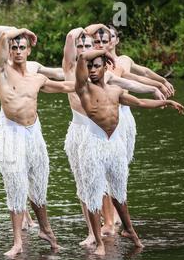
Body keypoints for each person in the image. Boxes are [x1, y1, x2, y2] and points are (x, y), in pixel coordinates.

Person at [75, 48, 184, 255]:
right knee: (94, 196)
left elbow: (141, 102)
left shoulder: (115, 91)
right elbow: (81, 57)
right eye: (90, 67)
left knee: (120, 194)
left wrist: (167, 102)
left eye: (97, 66)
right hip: (93, 144)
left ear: (106, 68)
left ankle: (130, 230)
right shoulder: (84, 89)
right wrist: (103, 51)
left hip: (114, 144)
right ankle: (99, 242)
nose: (92, 70)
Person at [62, 27, 167, 245]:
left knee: (110, 178)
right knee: (84, 184)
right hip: (80, 129)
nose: (82, 49)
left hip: (100, 130)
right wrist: (84, 32)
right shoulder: (72, 67)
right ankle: (92, 231)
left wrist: (157, 88)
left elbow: (131, 83)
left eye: (88, 45)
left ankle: (110, 223)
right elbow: (72, 38)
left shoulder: (103, 73)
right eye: (80, 46)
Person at [0, 26, 78, 258]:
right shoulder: (2, 71)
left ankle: (46, 230)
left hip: (34, 133)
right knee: (16, 187)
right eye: (14, 48)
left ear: (28, 51)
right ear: (9, 51)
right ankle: (18, 241)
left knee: (39, 186)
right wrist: (21, 31)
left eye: (22, 47)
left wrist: (92, 81)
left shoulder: (37, 77)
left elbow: (63, 86)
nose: (17, 51)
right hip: (11, 133)